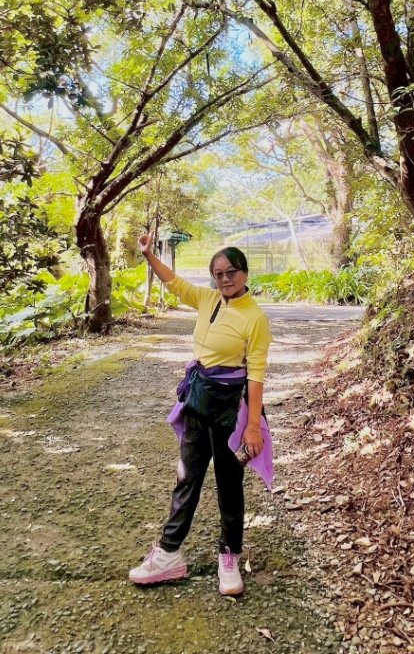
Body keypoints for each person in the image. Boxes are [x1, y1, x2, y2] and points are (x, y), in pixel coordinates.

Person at [129, 233, 272, 597]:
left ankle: (229, 556)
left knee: (229, 486)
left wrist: (253, 428)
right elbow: (173, 283)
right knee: (187, 479)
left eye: (231, 272)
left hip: (228, 410)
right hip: (197, 402)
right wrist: (148, 254)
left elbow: (255, 375)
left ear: (244, 273)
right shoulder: (208, 300)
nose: (225, 279)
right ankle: (168, 554)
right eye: (218, 273)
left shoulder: (255, 318)